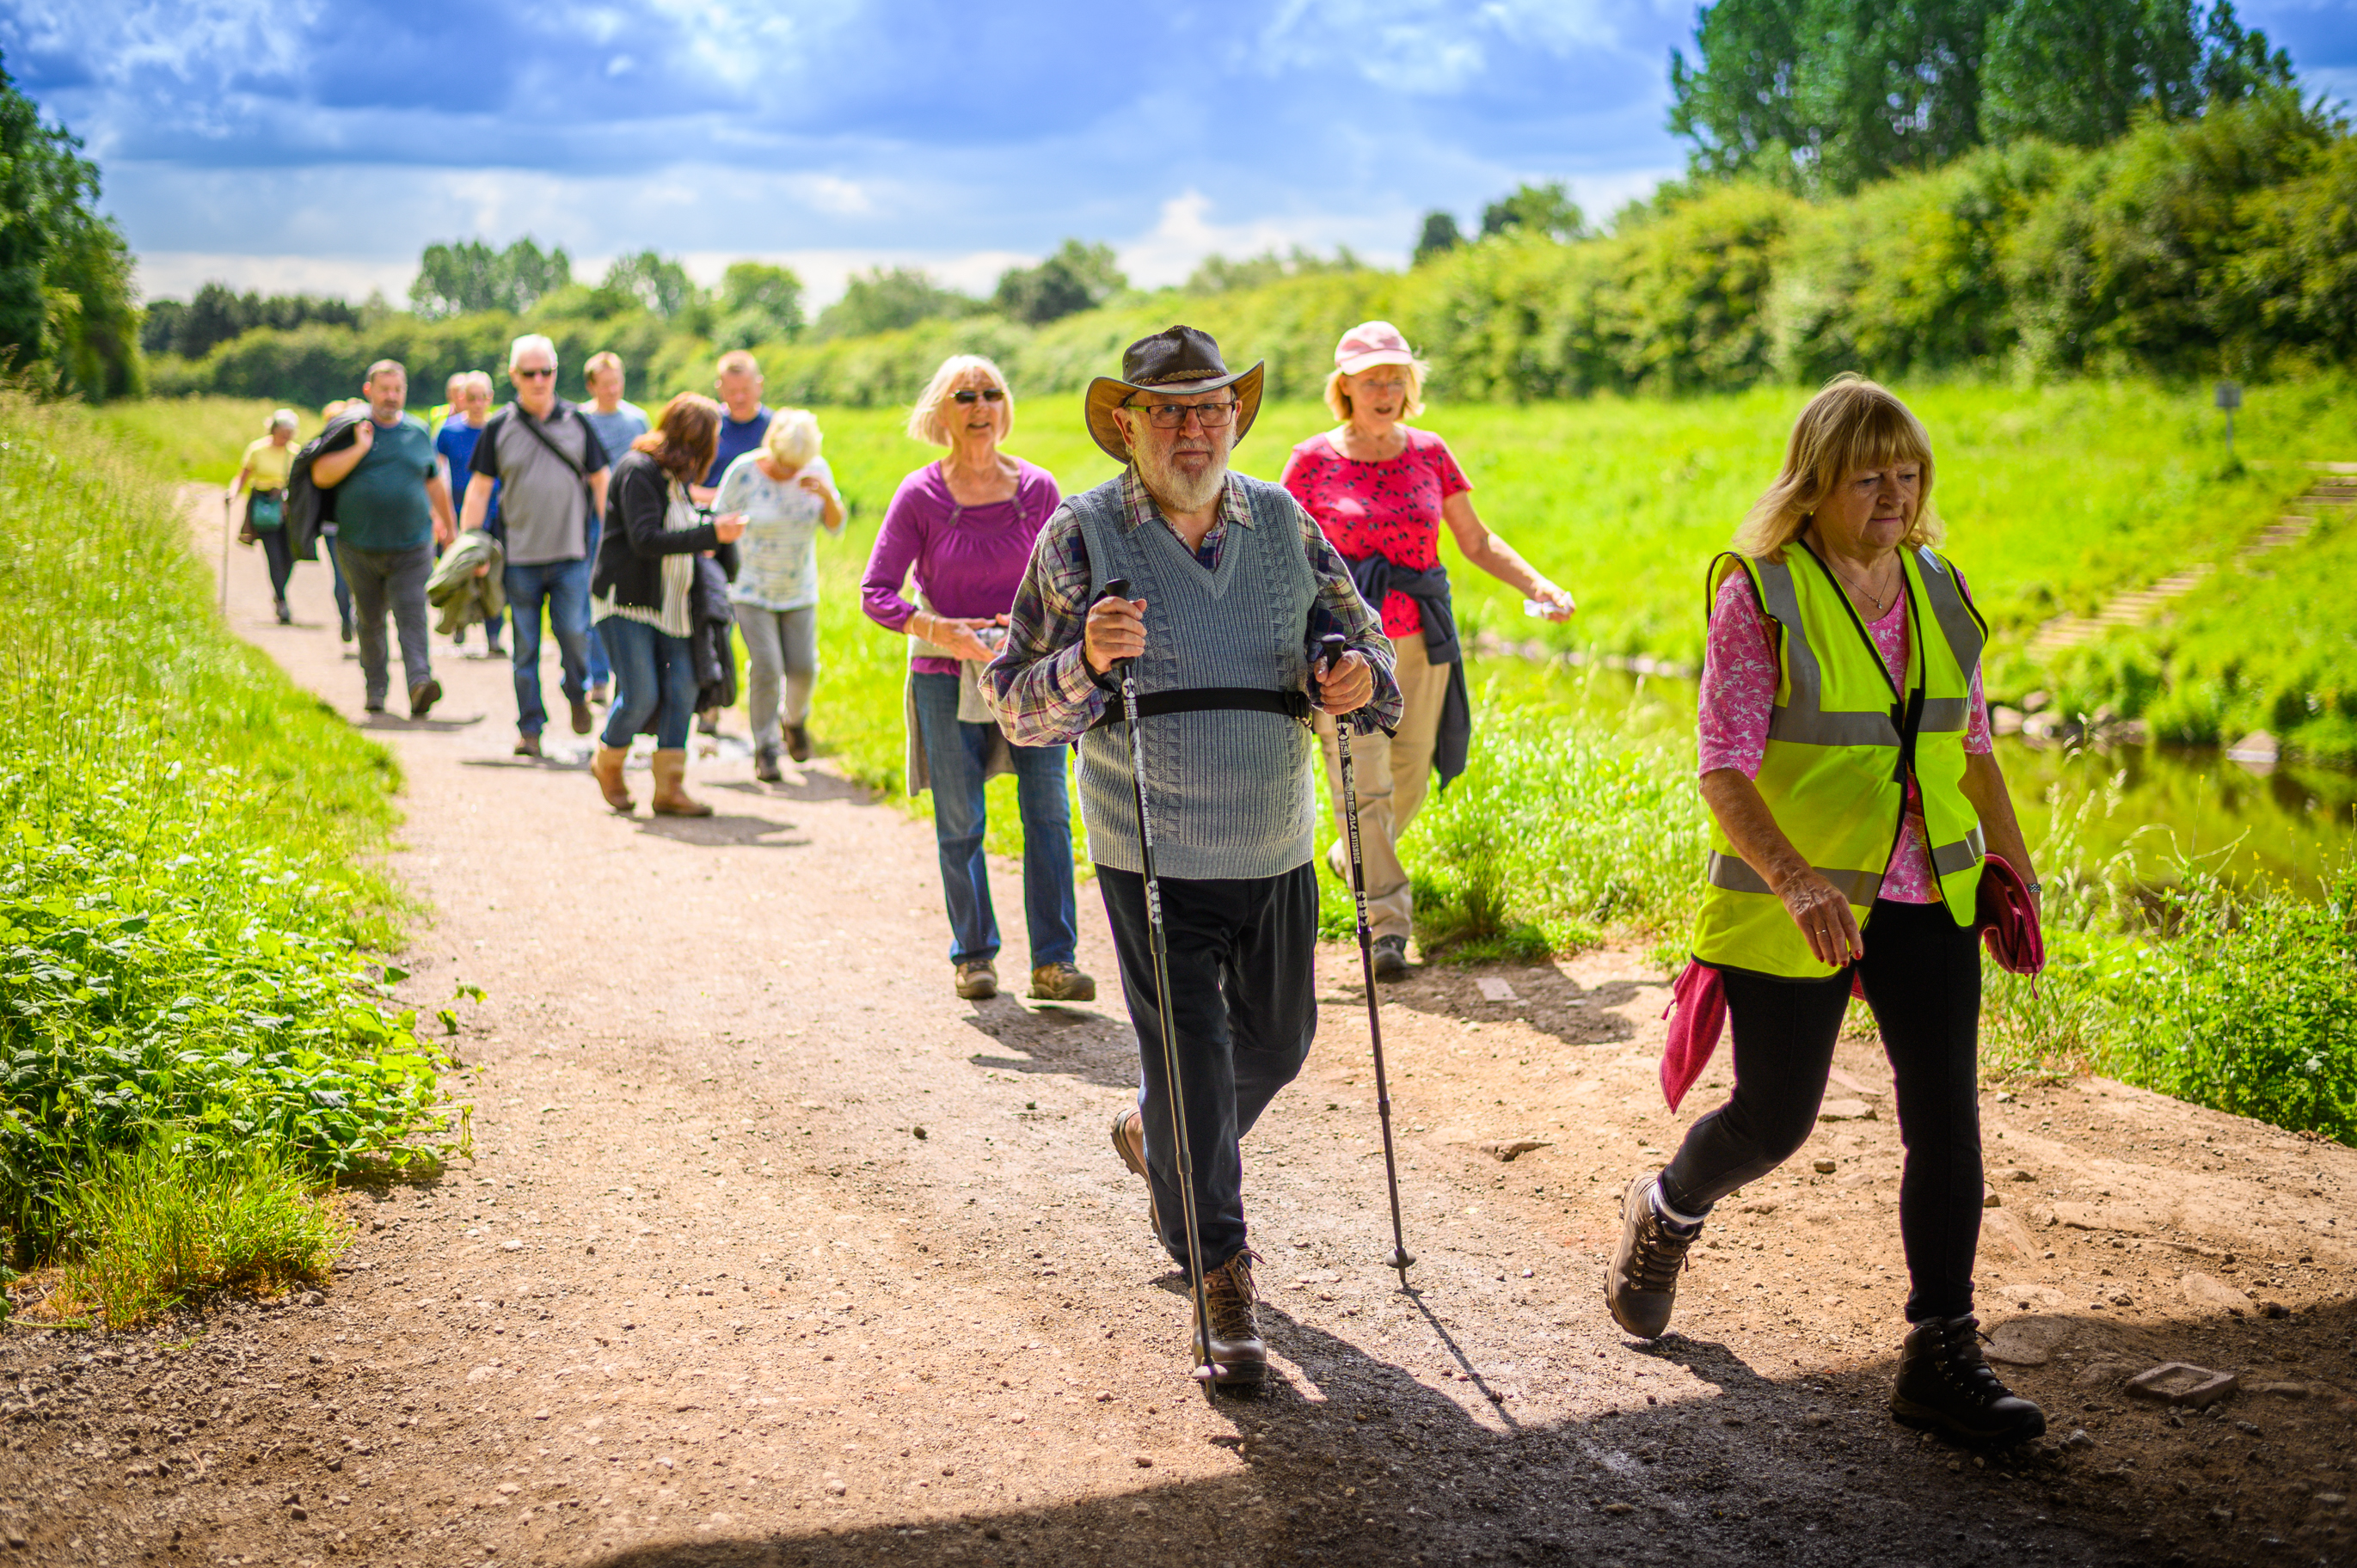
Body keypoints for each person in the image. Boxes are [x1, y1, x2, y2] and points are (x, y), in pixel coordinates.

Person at [1605, 374, 2047, 1448]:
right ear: (1813, 485)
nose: (1893, 497)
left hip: (1925, 888)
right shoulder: (1759, 592)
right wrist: (1796, 878)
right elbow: (1722, 766)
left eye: (1908, 475)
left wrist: (2015, 866)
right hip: (1794, 896)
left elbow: (1970, 744)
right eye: (1867, 479)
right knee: (1775, 1119)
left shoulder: (1937, 584)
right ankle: (1665, 1208)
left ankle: (1939, 1349)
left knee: (1942, 1112)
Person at [986, 326, 1402, 1385]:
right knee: (1198, 1064)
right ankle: (1221, 1278)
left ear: (1235, 419)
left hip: (1275, 842)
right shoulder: (1080, 536)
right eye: (1166, 411)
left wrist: (1353, 676)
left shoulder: (1284, 522)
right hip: (1151, 849)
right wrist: (1084, 662)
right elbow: (1014, 705)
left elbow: (1367, 648)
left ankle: (1151, 1132)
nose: (1191, 429)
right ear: (1125, 425)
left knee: (1279, 1044)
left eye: (1209, 408)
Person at [1279, 321, 1574, 979]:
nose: (1385, 391)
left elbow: (1476, 540)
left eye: (1396, 379)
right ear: (1344, 388)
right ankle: (1387, 924)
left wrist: (1538, 585)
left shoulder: (1430, 452)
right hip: (1345, 648)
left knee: (1408, 774)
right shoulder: (1310, 460)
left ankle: (1351, 857)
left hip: (1420, 636)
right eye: (1371, 381)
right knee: (1364, 785)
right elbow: (1278, 552)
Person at [861, 355, 1089, 1006]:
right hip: (944, 672)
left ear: (1005, 405)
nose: (981, 405)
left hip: (1030, 674)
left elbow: (1070, 578)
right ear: (942, 411)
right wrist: (941, 630)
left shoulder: (1038, 489)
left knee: (1048, 814)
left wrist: (1034, 625)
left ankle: (1055, 963)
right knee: (960, 820)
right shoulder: (919, 495)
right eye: (965, 396)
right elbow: (876, 592)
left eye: (991, 393)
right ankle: (974, 956)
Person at [590, 395, 744, 816]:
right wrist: (712, 535)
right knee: (640, 695)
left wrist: (713, 530)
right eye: (712, 438)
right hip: (628, 603)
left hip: (675, 607)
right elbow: (645, 539)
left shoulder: (676, 478)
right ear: (696, 439)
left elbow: (682, 529)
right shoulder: (638, 470)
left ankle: (669, 789)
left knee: (684, 689)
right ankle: (607, 763)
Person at [461, 334, 611, 757]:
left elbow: (601, 480)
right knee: (524, 648)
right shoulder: (499, 427)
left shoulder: (578, 422)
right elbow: (479, 489)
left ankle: (577, 692)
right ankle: (530, 728)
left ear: (556, 372)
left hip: (571, 555)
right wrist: (470, 548)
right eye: (530, 373)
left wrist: (613, 539)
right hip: (519, 559)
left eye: (547, 371)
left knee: (574, 636)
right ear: (514, 376)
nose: (539, 380)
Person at [311, 360, 456, 718]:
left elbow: (434, 481)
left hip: (413, 546)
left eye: (397, 389)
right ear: (368, 391)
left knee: (412, 614)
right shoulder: (347, 429)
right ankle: (375, 687)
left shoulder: (418, 431)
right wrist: (360, 449)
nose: (391, 396)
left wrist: (450, 529)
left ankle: (419, 683)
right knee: (370, 619)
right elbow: (321, 475)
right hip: (358, 546)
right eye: (384, 389)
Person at [716, 408, 844, 781]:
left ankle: (794, 721)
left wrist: (828, 496)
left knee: (803, 668)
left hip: (798, 589)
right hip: (751, 587)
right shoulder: (744, 471)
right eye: (786, 464)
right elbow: (717, 520)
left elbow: (836, 527)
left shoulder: (816, 470)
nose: (791, 472)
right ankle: (766, 747)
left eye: (797, 466)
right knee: (768, 667)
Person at [577, 351, 651, 707]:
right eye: (605, 384)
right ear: (591, 386)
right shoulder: (579, 420)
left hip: (632, 520)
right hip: (590, 521)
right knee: (594, 594)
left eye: (617, 382)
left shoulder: (638, 420)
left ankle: (628, 674)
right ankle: (598, 676)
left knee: (629, 596)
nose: (612, 390)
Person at [434, 371, 505, 656]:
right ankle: (459, 622)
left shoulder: (499, 430)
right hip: (459, 509)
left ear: (490, 398)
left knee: (495, 573)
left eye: (482, 398)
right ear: (462, 398)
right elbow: (436, 474)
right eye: (471, 398)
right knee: (463, 568)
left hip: (497, 511)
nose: (477, 404)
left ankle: (494, 635)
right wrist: (440, 517)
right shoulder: (448, 432)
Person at [227, 409, 302, 624]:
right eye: (283, 432)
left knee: (290, 556)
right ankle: (282, 601)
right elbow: (242, 476)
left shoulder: (295, 453)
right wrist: (232, 494)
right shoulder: (257, 449)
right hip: (264, 508)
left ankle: (279, 593)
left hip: (288, 510)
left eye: (290, 433)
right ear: (273, 430)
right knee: (274, 556)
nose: (286, 436)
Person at [693, 349, 770, 504]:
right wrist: (725, 499)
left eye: (745, 390)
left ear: (760, 385)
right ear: (719, 389)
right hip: (710, 512)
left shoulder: (776, 428)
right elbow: (686, 487)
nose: (739, 398)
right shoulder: (705, 426)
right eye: (732, 392)